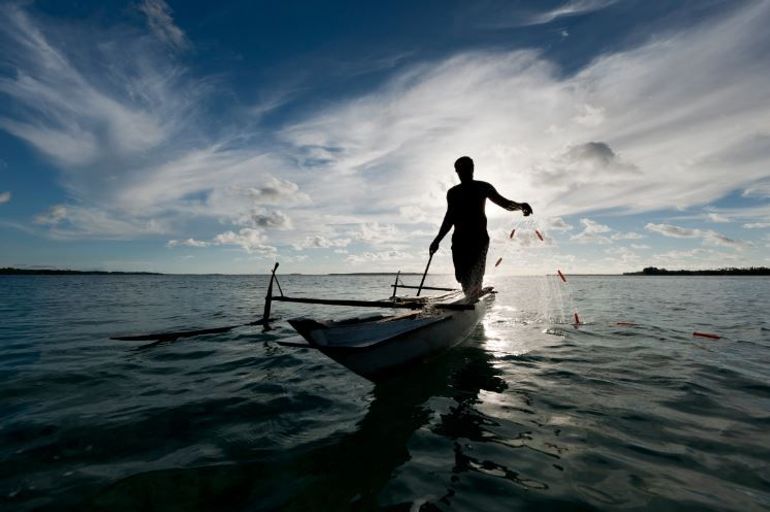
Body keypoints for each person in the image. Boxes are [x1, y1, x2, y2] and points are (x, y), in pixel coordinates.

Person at [429, 156, 532, 297]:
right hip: (459, 240)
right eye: (460, 170)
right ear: (457, 172)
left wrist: (520, 206)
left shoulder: (483, 187)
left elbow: (505, 204)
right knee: (461, 277)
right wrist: (437, 240)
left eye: (466, 169)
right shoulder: (453, 193)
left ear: (472, 169)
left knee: (474, 277)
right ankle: (472, 294)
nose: (463, 173)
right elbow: (449, 218)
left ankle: (474, 294)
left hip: (479, 240)